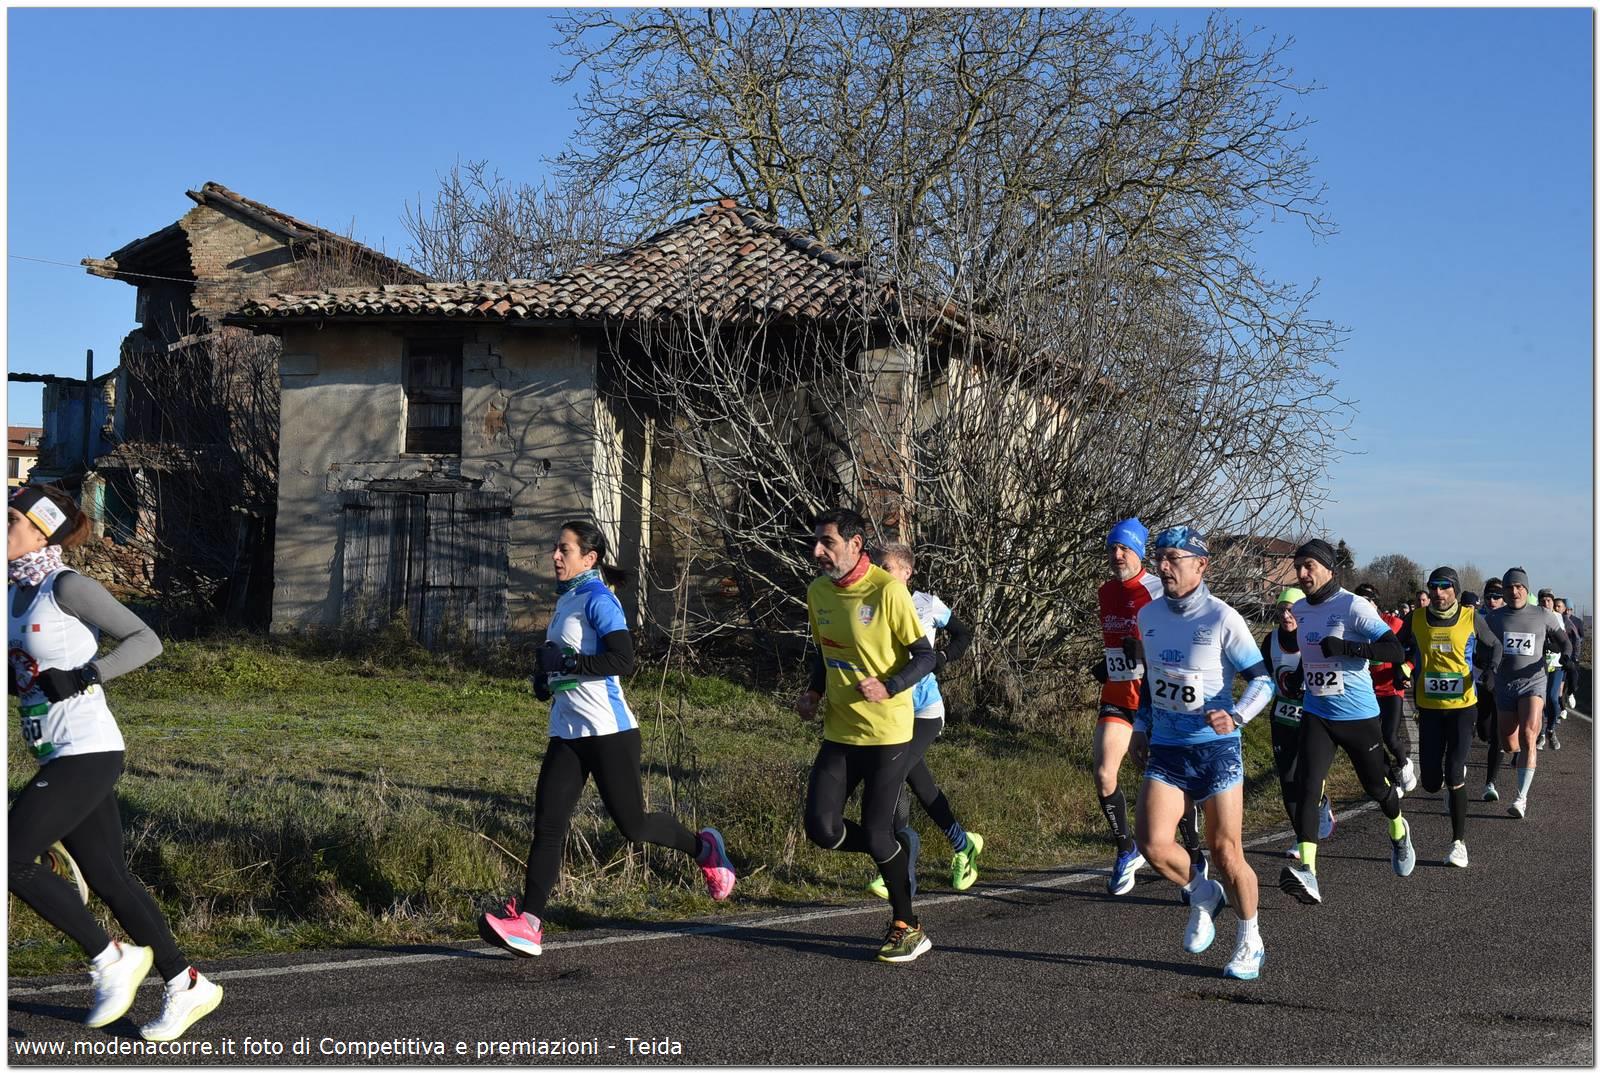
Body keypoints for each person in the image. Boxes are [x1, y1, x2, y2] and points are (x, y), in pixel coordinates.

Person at [7, 485, 223, 1041]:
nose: (2, 529)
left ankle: (110, 958)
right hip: (55, 750)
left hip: (89, 748)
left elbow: (146, 639)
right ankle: (187, 984)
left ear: (41, 533)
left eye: (11, 520)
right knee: (110, 877)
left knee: (10, 856)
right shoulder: (13, 594)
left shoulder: (66, 586)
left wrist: (87, 674)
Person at [479, 519, 737, 958]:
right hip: (567, 732)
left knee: (633, 827)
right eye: (555, 548)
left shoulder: (600, 599)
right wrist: (546, 678)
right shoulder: (565, 600)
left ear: (589, 558)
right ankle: (529, 923)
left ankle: (704, 848)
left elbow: (622, 659)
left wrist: (569, 663)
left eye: (564, 549)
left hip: (609, 732)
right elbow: (568, 663)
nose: (554, 556)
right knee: (548, 824)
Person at [1127, 526, 1273, 980]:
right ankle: (1203, 893)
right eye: (1159, 557)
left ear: (1201, 565)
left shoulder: (1222, 618)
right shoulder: (1148, 615)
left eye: (1173, 557)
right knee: (1152, 843)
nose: (1164, 565)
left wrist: (1238, 717)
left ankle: (1250, 940)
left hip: (1215, 751)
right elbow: (1151, 681)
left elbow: (1263, 681)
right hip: (1168, 749)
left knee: (1226, 851)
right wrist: (1140, 727)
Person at [796, 508, 937, 963]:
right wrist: (814, 692)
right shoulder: (818, 591)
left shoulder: (887, 590)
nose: (817, 551)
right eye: (816, 542)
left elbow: (925, 657)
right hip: (841, 730)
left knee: (877, 833)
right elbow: (824, 652)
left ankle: (907, 925)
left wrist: (890, 686)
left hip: (887, 732)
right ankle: (894, 850)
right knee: (821, 828)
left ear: (855, 545)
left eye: (828, 542)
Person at [1278, 539, 1416, 905]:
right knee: (1308, 786)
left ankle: (1398, 829)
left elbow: (1393, 650)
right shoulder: (1301, 609)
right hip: (1317, 713)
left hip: (1358, 716)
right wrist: (1298, 678)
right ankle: (1308, 870)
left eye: (1308, 566)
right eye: (1297, 567)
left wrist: (1349, 649)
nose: (1301, 573)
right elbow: (1311, 655)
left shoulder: (1354, 606)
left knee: (1377, 787)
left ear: (1328, 569)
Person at [1090, 518, 1206, 897]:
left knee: (1169, 782)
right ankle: (1127, 850)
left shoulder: (1159, 590)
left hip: (1158, 701)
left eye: (1124, 548)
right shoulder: (1106, 592)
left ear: (1139, 553)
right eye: (1112, 548)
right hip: (1119, 696)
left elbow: (1181, 641)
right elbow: (1116, 645)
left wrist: (1141, 652)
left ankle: (1193, 853)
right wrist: (1108, 664)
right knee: (1104, 773)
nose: (1117, 555)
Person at [864, 543, 983, 899]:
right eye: (876, 566)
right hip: (891, 713)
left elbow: (963, 633)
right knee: (921, 785)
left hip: (924, 711)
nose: (880, 573)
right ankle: (963, 845)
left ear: (907, 572)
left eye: (886, 567)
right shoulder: (869, 606)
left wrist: (941, 658)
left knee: (892, 774)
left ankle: (899, 864)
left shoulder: (926, 604)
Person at [1395, 567, 1499, 867]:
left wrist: (1491, 671)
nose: (1438, 593)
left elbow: (1495, 645)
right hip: (1429, 709)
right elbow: (1398, 647)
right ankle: (1450, 791)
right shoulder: (1416, 618)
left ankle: (1458, 844)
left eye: (1444, 587)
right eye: (1434, 587)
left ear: (1455, 589)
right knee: (1430, 782)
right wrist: (1401, 668)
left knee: (1454, 773)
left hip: (1463, 707)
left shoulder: (1470, 617)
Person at [1484, 568, 1571, 818]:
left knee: (1529, 734)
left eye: (1519, 587)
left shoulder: (1543, 615)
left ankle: (1521, 799)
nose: (1514, 591)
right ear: (1504, 590)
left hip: (1534, 681)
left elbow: (1564, 641)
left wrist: (1566, 656)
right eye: (1510, 587)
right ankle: (1520, 755)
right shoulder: (1493, 618)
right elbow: (1482, 646)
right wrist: (1488, 667)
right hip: (1505, 685)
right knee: (1509, 743)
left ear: (1526, 589)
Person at [1257, 587, 1335, 857]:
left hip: (1313, 716)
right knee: (1287, 779)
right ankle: (1301, 837)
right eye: (1281, 610)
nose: (1286, 616)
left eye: (1291, 610)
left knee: (1308, 777)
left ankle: (1320, 805)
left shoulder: (1313, 637)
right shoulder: (1271, 640)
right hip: (1282, 716)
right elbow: (1263, 675)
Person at [1355, 583, 1416, 794]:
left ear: (1375, 603)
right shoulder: (1354, 626)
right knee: (1373, 741)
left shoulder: (1394, 624)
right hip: (1366, 691)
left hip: (1391, 688)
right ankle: (1392, 783)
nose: (1363, 606)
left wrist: (1406, 669)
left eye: (1367, 601)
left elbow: (1414, 650)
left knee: (1389, 736)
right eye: (1359, 602)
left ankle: (1404, 762)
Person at [1477, 579, 1508, 798]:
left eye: (1497, 597)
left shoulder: (1511, 618)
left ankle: (1490, 783)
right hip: (1480, 679)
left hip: (1504, 682)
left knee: (1497, 735)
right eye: (1489, 597)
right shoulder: (1476, 618)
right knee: (1484, 731)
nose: (1492, 601)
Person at [1537, 590, 1565, 750]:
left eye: (1549, 600)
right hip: (1539, 666)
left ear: (1553, 603)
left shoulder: (1558, 617)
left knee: (1553, 699)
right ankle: (1541, 734)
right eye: (1543, 600)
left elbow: (1562, 641)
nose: (1546, 603)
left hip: (1556, 664)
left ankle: (1551, 729)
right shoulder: (1534, 616)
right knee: (1540, 701)